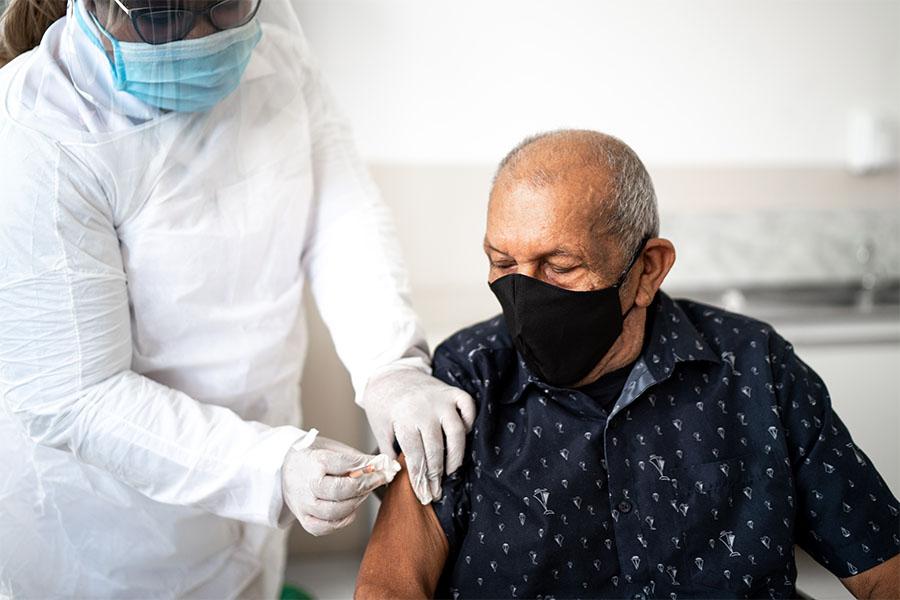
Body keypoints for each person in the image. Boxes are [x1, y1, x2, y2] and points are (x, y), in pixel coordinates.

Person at [0, 0, 475, 597]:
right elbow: (76, 394)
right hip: (108, 542)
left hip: (252, 507)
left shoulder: (273, 40)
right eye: (164, 16)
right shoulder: (38, 128)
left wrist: (390, 365)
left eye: (223, 6)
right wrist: (266, 467)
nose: (202, 37)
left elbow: (341, 219)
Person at [354, 130, 900, 599]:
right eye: (502, 263)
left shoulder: (754, 367)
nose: (525, 294)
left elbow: (882, 562)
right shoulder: (468, 376)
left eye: (561, 266)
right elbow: (390, 583)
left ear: (647, 270)